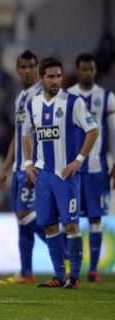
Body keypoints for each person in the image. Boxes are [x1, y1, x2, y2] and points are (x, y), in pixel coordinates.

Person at [22, 57, 99, 289]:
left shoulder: (73, 103)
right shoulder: (32, 103)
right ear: (41, 78)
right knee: (49, 226)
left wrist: (78, 160)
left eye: (58, 76)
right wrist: (28, 162)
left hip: (66, 175)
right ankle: (59, 276)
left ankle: (74, 277)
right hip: (43, 175)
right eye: (50, 76)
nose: (56, 80)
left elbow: (92, 130)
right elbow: (26, 134)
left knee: (72, 225)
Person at [0, 50, 46, 285]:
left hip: (31, 166)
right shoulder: (20, 98)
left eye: (31, 66)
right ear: (17, 70)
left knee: (25, 213)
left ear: (37, 69)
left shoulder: (41, 95)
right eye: (23, 67)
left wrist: (32, 165)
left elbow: (41, 135)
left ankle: (63, 250)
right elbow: (17, 137)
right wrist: (5, 169)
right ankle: (26, 272)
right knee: (21, 218)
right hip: (17, 167)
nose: (27, 70)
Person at [67, 53, 115, 282]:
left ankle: (93, 269)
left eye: (91, 69)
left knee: (96, 218)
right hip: (73, 168)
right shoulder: (67, 97)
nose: (88, 73)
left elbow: (113, 131)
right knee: (70, 219)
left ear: (95, 71)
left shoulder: (106, 97)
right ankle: (72, 268)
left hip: (97, 169)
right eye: (84, 69)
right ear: (77, 70)